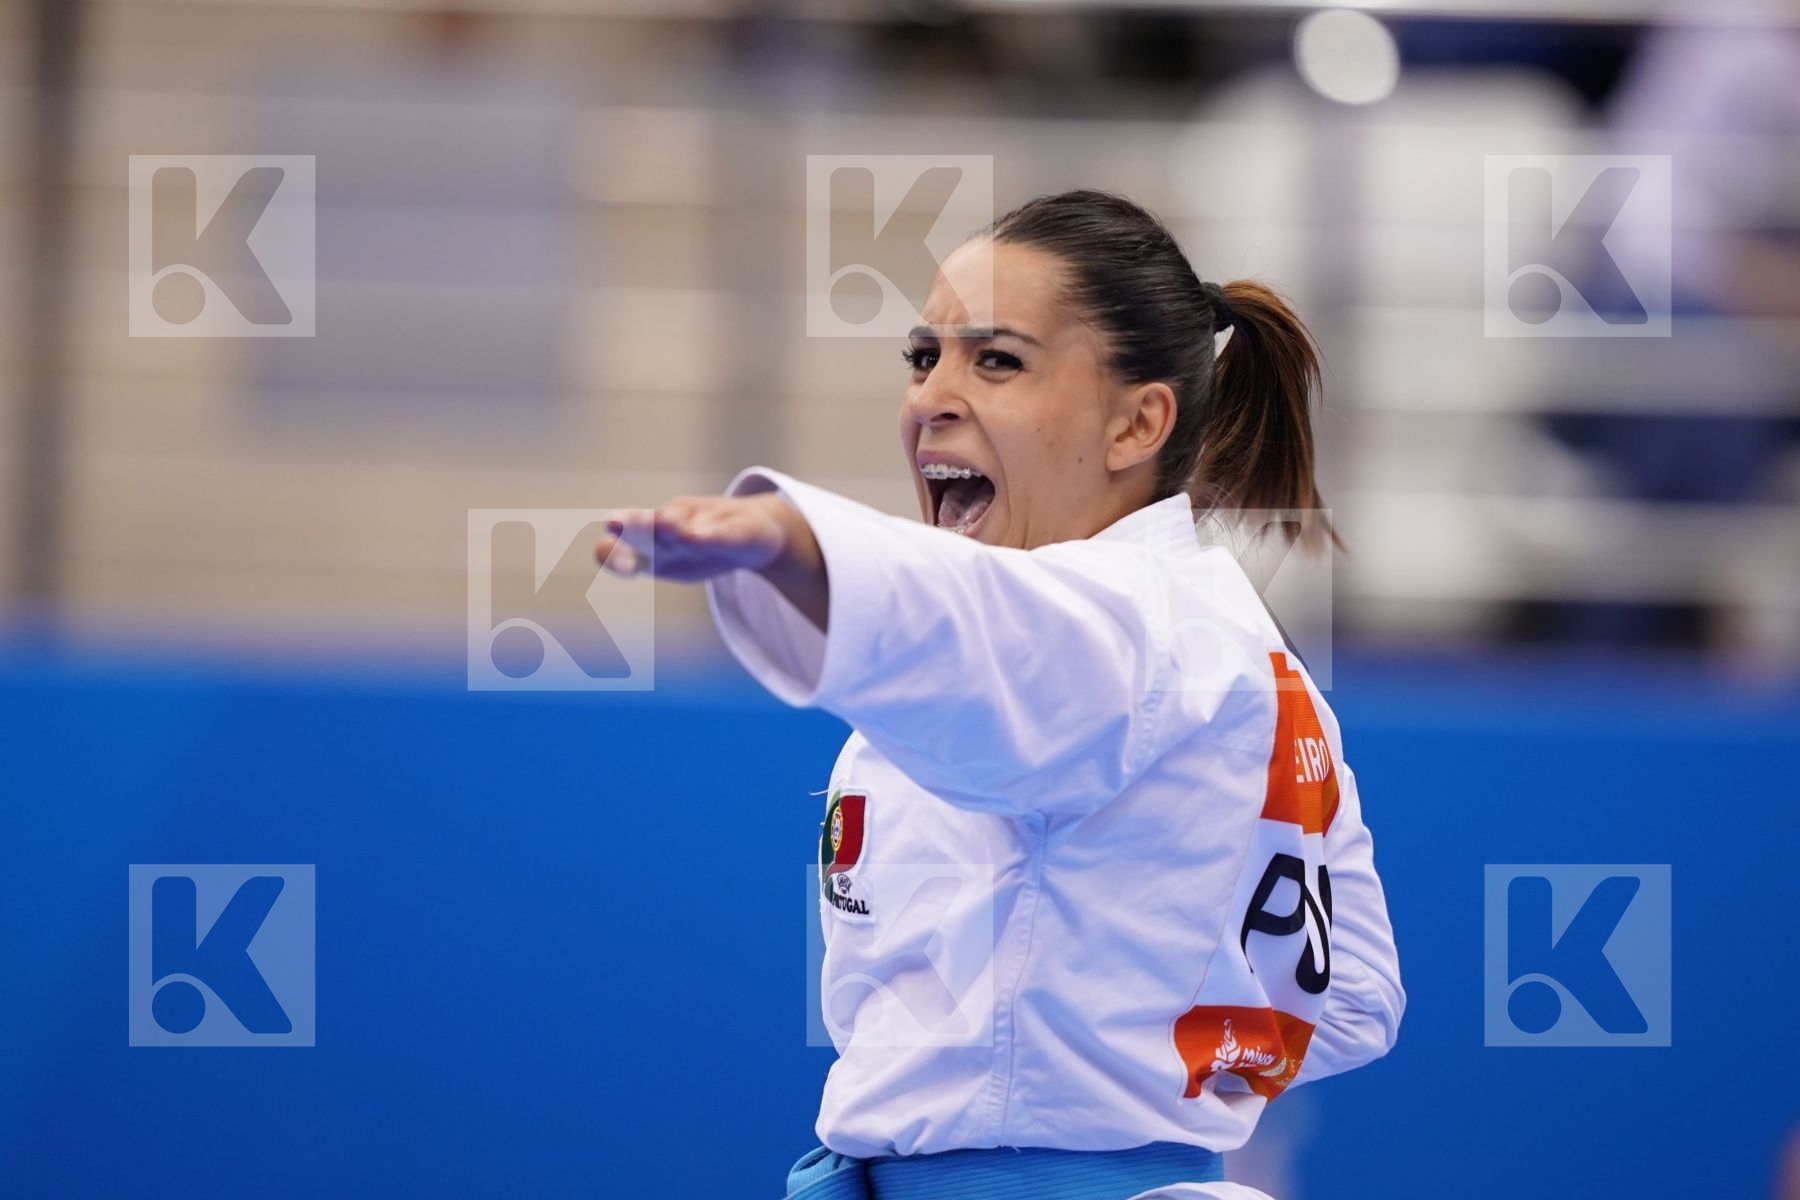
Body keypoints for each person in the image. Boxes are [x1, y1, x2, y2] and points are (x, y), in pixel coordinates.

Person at [596, 190, 1404, 1200]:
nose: (934, 393)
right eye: (921, 355)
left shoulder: (1118, 627)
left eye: (997, 360)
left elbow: (962, 626)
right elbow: (1352, 998)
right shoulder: (1244, 658)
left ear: (1136, 422)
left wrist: (788, 543)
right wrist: (1145, 1066)